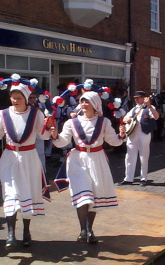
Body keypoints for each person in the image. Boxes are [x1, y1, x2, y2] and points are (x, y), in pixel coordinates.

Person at [50, 91, 126, 244]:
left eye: (87, 102)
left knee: (94, 196)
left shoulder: (104, 122)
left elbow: (112, 140)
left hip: (97, 159)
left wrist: (121, 135)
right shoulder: (71, 122)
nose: (84, 105)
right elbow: (63, 141)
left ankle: (89, 229)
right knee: (83, 196)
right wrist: (55, 136)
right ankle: (83, 229)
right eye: (82, 101)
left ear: (96, 104)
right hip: (78, 160)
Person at [0, 81, 51, 249]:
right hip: (9, 157)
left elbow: (43, 136)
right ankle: (10, 234)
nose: (15, 101)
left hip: (29, 158)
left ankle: (26, 232)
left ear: (26, 98)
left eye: (19, 98)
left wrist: (49, 126)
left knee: (26, 192)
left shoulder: (36, 114)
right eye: (13, 98)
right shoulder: (3, 114)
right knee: (10, 193)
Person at [118, 91, 159, 187]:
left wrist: (149, 106)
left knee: (143, 156)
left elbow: (156, 116)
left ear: (144, 98)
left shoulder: (150, 108)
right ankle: (128, 178)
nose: (136, 99)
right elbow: (125, 118)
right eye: (135, 98)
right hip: (132, 133)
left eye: (138, 98)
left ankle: (143, 178)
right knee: (129, 156)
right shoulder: (134, 109)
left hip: (144, 133)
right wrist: (126, 120)